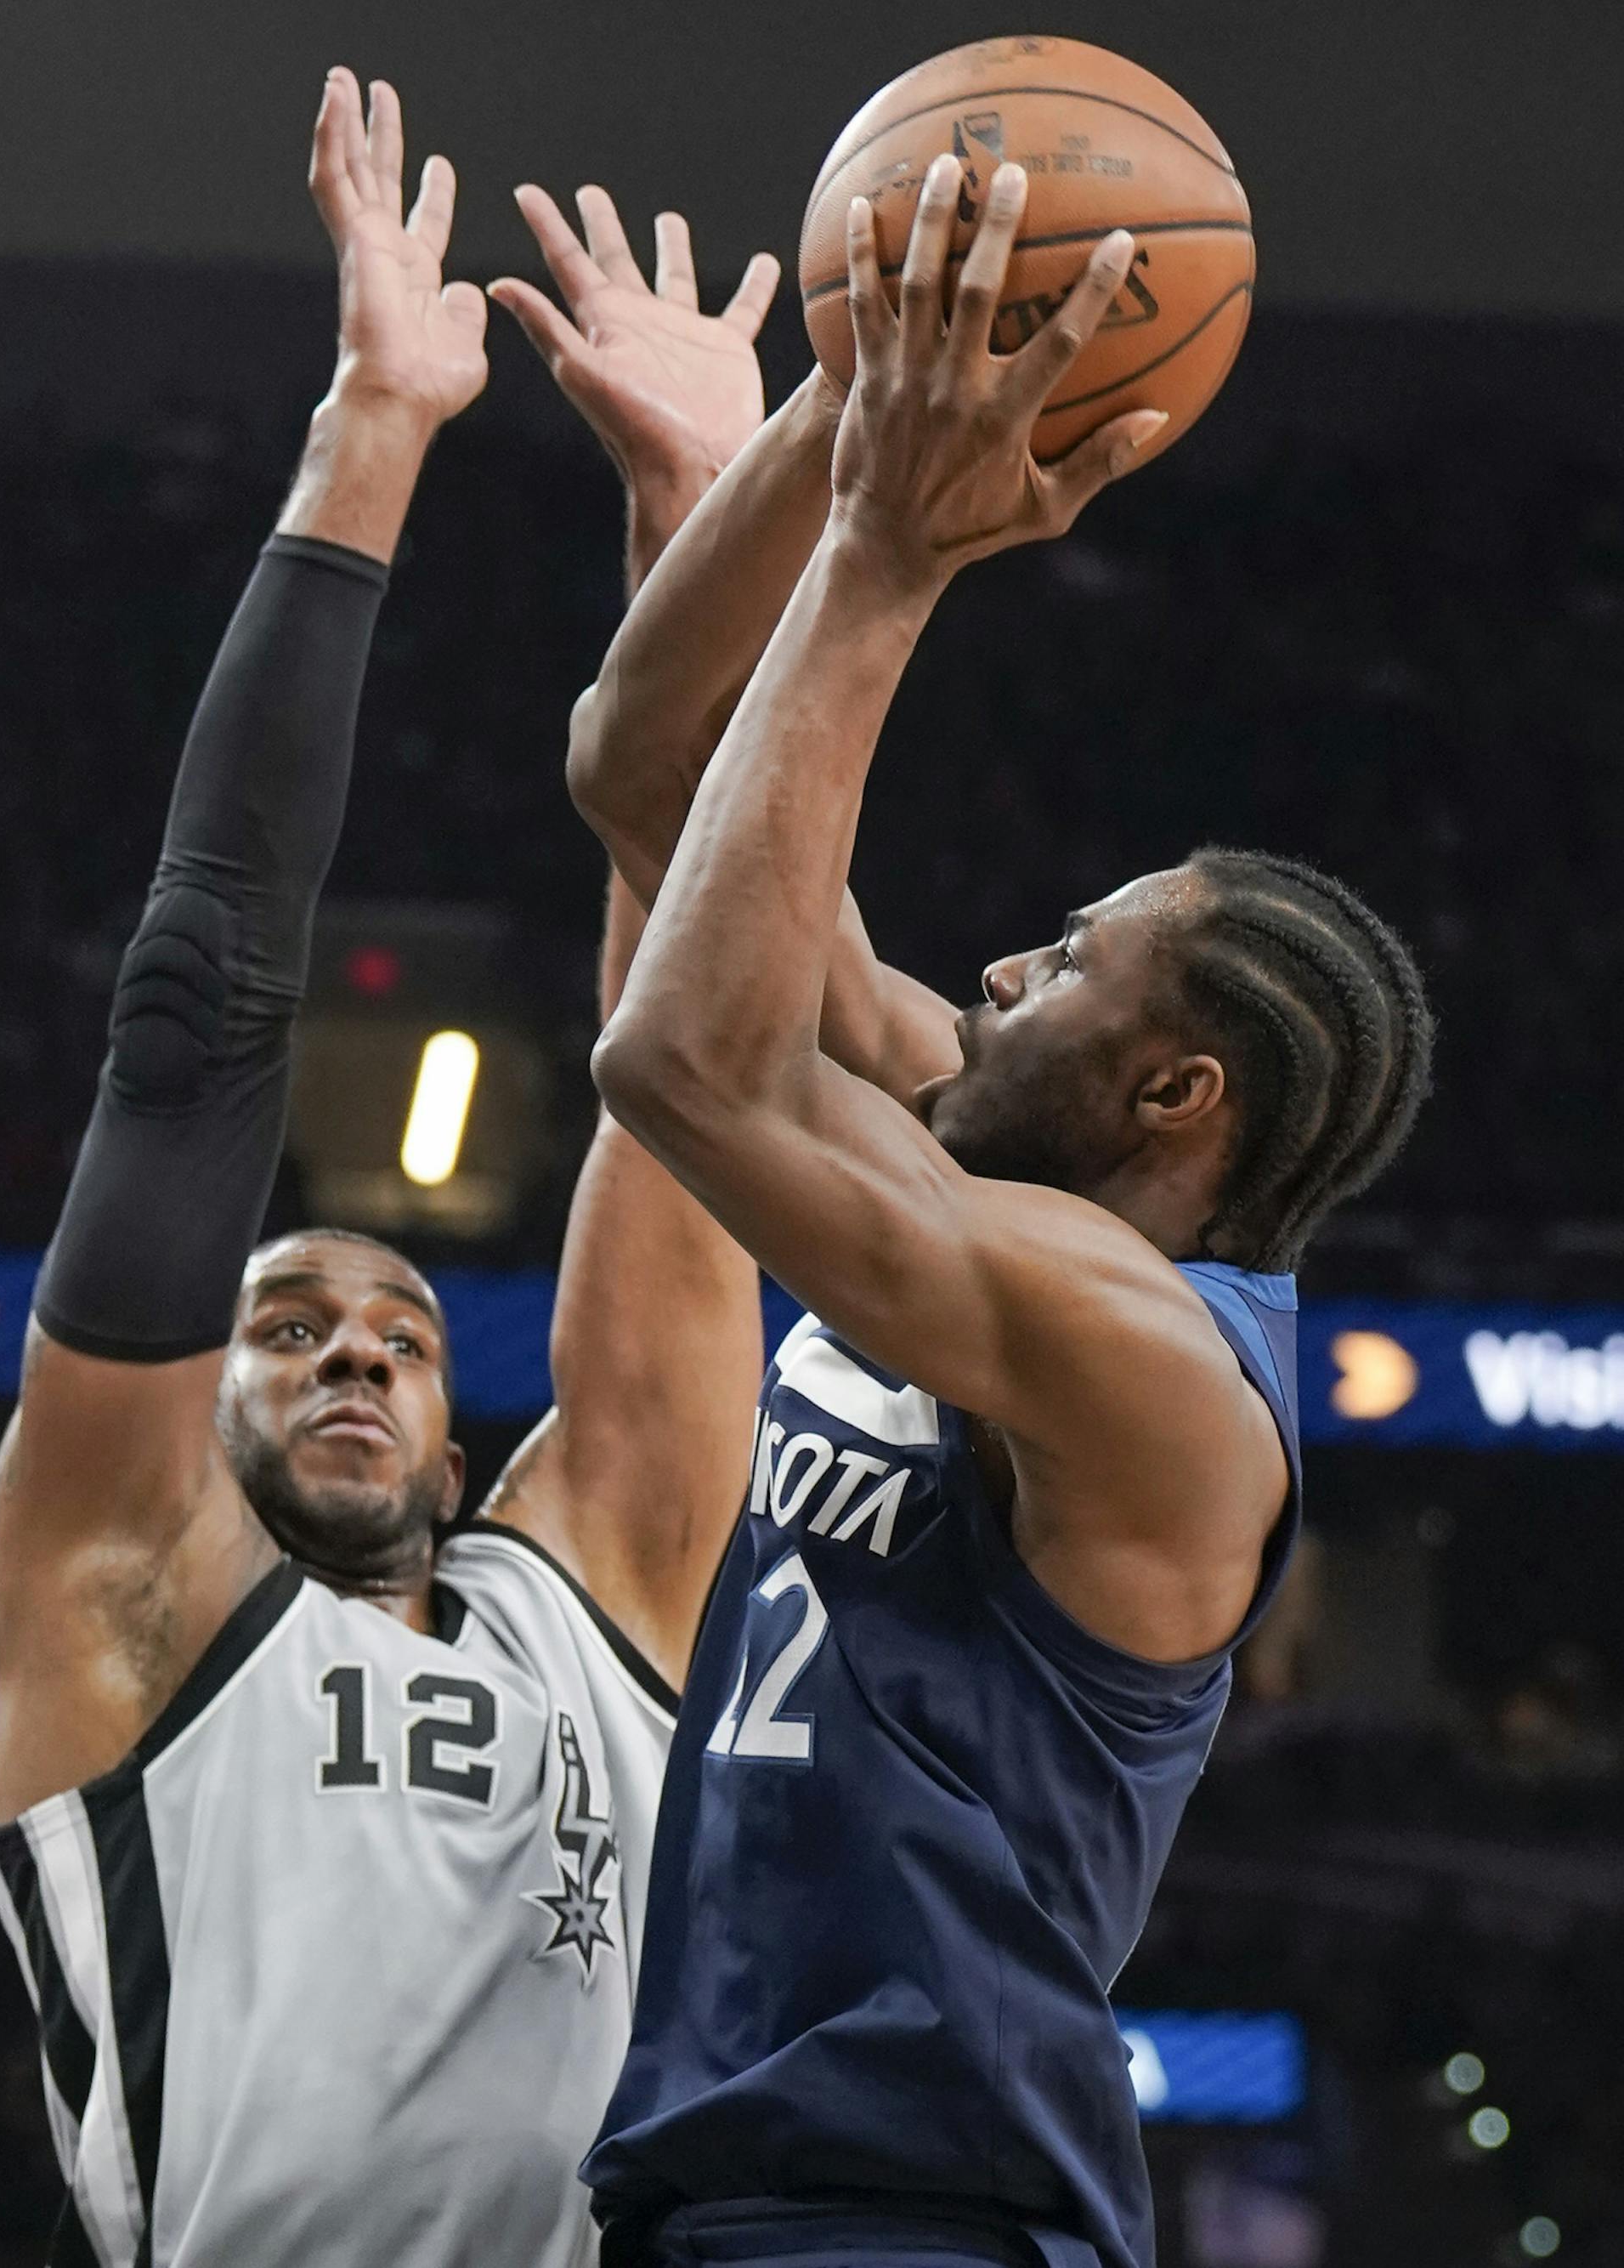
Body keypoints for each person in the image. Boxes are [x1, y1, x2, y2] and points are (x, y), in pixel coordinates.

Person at [568, 159, 1435, 2268]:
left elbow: (679, 1059)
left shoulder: (1153, 1369)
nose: (1002, 974)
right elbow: (635, 765)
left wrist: (885, 555)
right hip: (730, 2188)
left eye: (1069, 956)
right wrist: (825, 418)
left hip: (920, 2216)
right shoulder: (966, 1167)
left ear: (1173, 1092)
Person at [0, 70, 778, 2268]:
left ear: (456, 1410)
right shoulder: (131, 1597)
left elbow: (698, 1070)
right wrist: (378, 435)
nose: (349, 1351)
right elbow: (198, 1011)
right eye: (290, 1323)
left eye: (401, 1332)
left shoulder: (591, 1594)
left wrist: (703, 532)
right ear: (199, 1412)